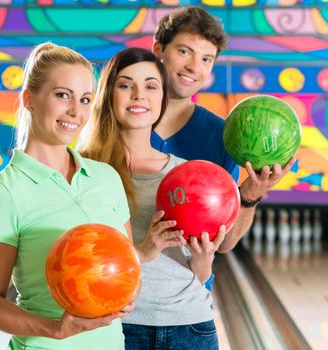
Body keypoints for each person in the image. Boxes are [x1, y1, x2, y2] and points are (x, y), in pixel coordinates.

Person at [0, 42, 134, 350]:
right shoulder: (6, 192)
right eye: (63, 95)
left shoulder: (107, 179)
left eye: (85, 99)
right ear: (29, 100)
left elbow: (128, 267)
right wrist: (55, 329)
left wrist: (127, 294)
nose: (76, 111)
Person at [81, 47, 225, 349]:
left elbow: (199, 276)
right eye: (125, 85)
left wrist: (204, 258)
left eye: (150, 86)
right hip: (115, 327)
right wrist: (143, 249)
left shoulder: (186, 173)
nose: (138, 94)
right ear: (108, 95)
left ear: (162, 99)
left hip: (190, 327)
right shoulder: (85, 171)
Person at [151, 6, 295, 257]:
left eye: (206, 59)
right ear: (158, 50)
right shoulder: (123, 121)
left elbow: (225, 244)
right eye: (184, 52)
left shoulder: (223, 135)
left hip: (190, 289)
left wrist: (251, 194)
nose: (194, 67)